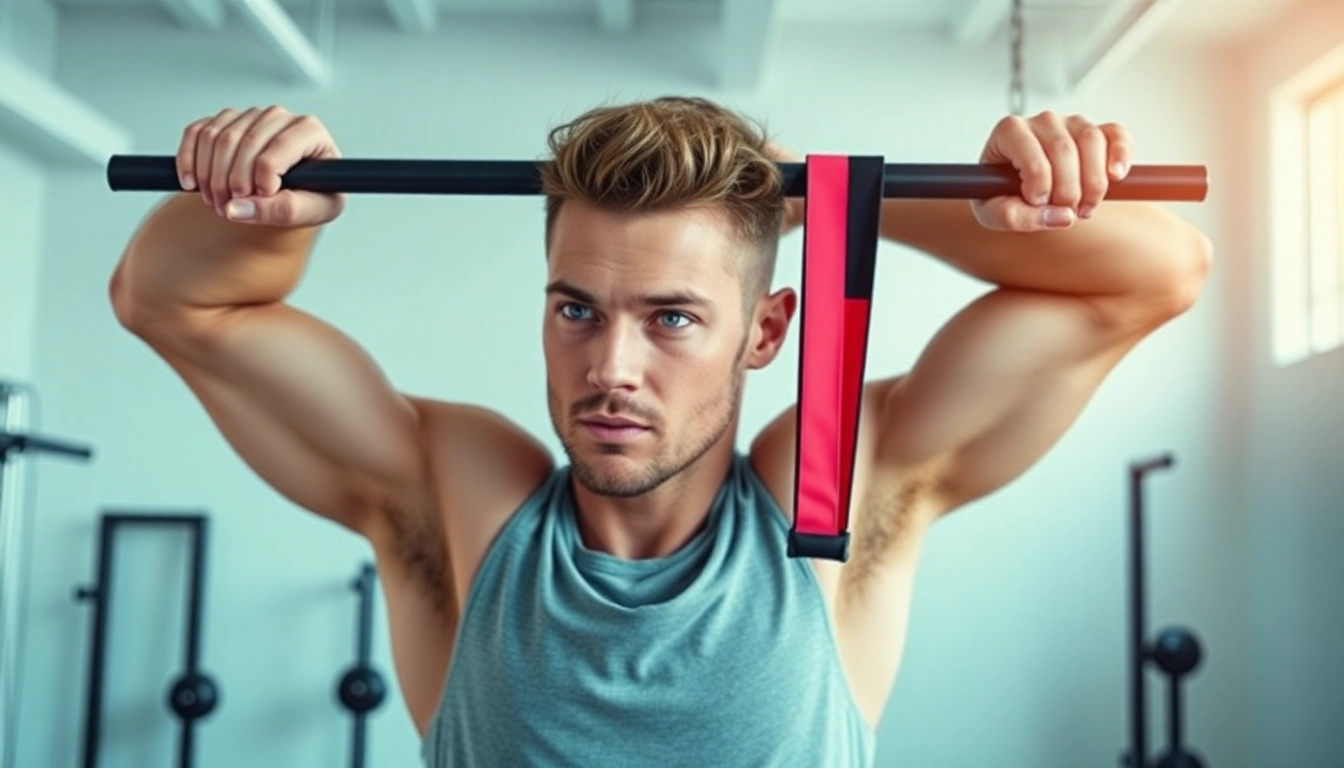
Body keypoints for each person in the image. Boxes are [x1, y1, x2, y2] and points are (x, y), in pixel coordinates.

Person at [109, 97, 1212, 766]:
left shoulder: (830, 489)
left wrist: (837, 195)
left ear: (767, 329)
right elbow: (175, 301)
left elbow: (1152, 277)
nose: (611, 369)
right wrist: (267, 213)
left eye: (674, 317)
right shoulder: (464, 501)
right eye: (576, 308)